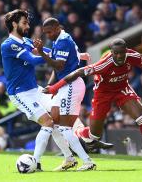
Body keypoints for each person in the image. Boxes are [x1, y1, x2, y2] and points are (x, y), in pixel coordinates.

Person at [44, 38, 142, 161]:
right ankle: (79, 130)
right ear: (112, 52)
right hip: (103, 93)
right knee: (94, 136)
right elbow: (78, 72)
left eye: (122, 53)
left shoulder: (132, 56)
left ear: (126, 51)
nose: (119, 56)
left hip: (122, 89)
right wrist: (55, 87)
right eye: (116, 53)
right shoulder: (104, 64)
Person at [0, 9, 79, 172]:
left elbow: (49, 52)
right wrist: (47, 55)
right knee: (48, 122)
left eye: (27, 23)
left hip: (35, 89)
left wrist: (73, 54)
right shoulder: (9, 45)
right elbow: (33, 59)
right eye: (24, 23)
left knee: (56, 118)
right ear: (14, 24)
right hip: (20, 93)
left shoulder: (26, 41)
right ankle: (34, 162)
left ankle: (69, 158)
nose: (28, 26)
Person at [33, 17, 97, 170]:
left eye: (49, 32)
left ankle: (87, 161)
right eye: (45, 33)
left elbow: (59, 66)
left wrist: (41, 52)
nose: (47, 35)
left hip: (71, 86)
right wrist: (51, 86)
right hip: (63, 86)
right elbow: (59, 68)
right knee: (53, 122)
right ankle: (69, 158)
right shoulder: (59, 39)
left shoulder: (63, 41)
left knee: (65, 127)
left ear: (56, 28)